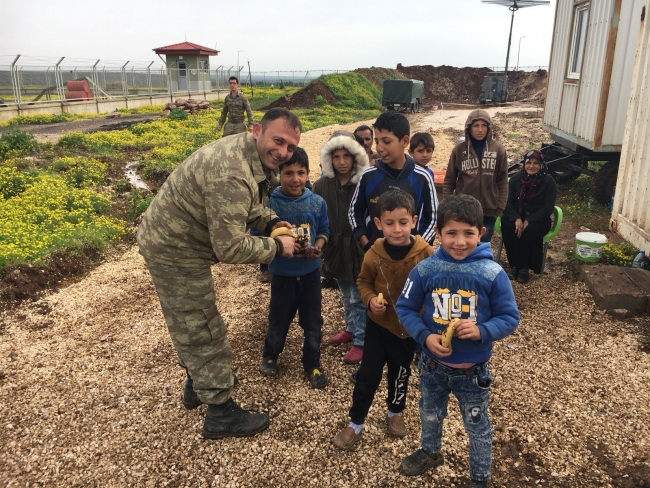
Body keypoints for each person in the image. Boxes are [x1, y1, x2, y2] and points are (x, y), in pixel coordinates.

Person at [137, 108, 301, 440]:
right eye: (278, 141)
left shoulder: (246, 152)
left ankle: (199, 382)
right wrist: (276, 247)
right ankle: (220, 413)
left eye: (290, 147)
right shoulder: (232, 172)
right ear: (257, 130)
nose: (283, 153)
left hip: (177, 240)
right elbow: (230, 248)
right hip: (175, 249)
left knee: (188, 321)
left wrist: (270, 223)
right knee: (201, 326)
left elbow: (247, 204)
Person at [395, 194, 519, 487]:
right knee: (429, 412)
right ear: (438, 233)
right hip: (432, 365)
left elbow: (510, 317)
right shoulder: (425, 269)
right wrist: (425, 336)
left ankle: (479, 477)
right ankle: (430, 451)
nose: (459, 241)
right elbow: (405, 307)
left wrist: (482, 331)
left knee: (477, 426)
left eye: (468, 233)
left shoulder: (492, 273)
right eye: (451, 233)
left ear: (481, 233)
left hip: (472, 372)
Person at [332, 190, 434, 450]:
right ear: (378, 224)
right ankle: (356, 422)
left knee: (400, 374)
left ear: (414, 220)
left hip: (408, 330)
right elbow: (363, 281)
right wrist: (369, 301)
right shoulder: (374, 253)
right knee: (368, 374)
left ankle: (394, 412)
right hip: (378, 326)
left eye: (403, 222)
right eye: (389, 223)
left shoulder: (426, 253)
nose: (397, 229)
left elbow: (435, 288)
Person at [259, 148, 330, 388]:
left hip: (310, 275)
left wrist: (317, 247)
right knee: (278, 320)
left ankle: (312, 363)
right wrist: (277, 245)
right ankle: (270, 354)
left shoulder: (317, 202)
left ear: (308, 174)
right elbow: (257, 235)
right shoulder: (269, 204)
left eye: (301, 173)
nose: (295, 179)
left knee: (313, 323)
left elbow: (324, 231)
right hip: (282, 277)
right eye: (288, 173)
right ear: (279, 174)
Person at [313, 131, 369, 364]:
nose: (342, 162)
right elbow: (314, 214)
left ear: (355, 157)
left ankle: (362, 340)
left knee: (358, 296)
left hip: (357, 248)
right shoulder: (321, 185)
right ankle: (350, 327)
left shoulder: (364, 183)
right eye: (336, 157)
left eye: (347, 156)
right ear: (329, 159)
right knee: (344, 294)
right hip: (335, 248)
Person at [349, 111, 438, 252]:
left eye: (386, 141)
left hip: (413, 259)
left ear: (405, 141)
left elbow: (433, 218)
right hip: (377, 258)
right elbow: (354, 212)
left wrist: (418, 247)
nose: (379, 148)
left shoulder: (423, 178)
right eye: (377, 141)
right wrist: (366, 243)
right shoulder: (368, 176)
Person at [443, 109, 508, 243]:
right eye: (476, 125)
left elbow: (502, 181)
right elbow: (449, 181)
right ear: (469, 128)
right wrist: (449, 206)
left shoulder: (498, 149)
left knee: (481, 249)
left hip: (488, 212)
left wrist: (499, 208)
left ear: (489, 127)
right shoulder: (459, 150)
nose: (480, 129)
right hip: (463, 210)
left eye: (484, 125)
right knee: (463, 247)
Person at [501, 149, 557, 283]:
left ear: (541, 164)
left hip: (538, 218)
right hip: (517, 215)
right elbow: (506, 201)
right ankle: (514, 265)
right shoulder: (515, 179)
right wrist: (517, 218)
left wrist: (529, 220)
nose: (531, 166)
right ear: (524, 164)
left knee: (530, 229)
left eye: (535, 163)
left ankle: (525, 267)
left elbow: (548, 207)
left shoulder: (548, 181)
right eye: (528, 163)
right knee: (508, 226)